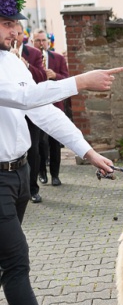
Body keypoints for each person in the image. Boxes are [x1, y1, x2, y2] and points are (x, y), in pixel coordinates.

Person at [0, 14, 123, 305]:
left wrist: (88, 153)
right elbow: (24, 99)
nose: (15, 31)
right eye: (6, 23)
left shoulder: (10, 60)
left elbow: (43, 112)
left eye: (15, 23)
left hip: (20, 174)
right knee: (16, 262)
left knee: (4, 261)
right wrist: (80, 82)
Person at [10, 23, 47, 203]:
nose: (15, 36)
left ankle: (32, 188)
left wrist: (26, 66)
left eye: (18, 33)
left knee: (34, 150)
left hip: (31, 111)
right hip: (11, 112)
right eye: (13, 33)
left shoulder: (34, 54)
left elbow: (42, 77)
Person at [33, 28, 69, 186]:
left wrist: (55, 76)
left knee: (55, 141)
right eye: (37, 41)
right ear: (32, 42)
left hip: (55, 105)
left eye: (43, 40)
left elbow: (67, 79)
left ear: (48, 42)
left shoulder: (58, 58)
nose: (41, 44)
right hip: (37, 105)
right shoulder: (28, 58)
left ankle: (55, 174)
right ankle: (41, 172)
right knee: (40, 142)